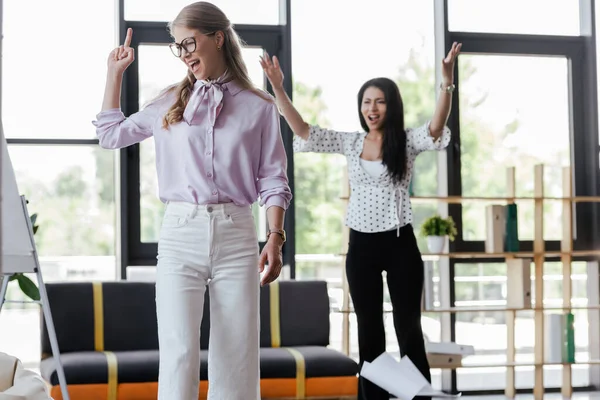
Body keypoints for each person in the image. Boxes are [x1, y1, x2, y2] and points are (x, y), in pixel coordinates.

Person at [93, 2, 292, 399]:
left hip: (237, 235)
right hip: (180, 234)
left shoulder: (260, 107)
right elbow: (110, 134)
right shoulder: (168, 101)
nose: (184, 54)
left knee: (236, 356)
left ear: (217, 38)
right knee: (180, 352)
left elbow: (273, 177)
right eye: (178, 47)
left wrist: (275, 235)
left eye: (190, 43)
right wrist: (115, 74)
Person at [260, 42, 461, 400]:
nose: (372, 108)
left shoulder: (406, 142)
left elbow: (435, 127)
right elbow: (304, 130)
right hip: (362, 246)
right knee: (369, 330)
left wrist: (446, 81)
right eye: (367, 101)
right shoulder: (352, 143)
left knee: (408, 328)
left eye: (379, 101)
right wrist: (278, 88)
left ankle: (421, 397)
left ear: (391, 105)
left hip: (400, 244)